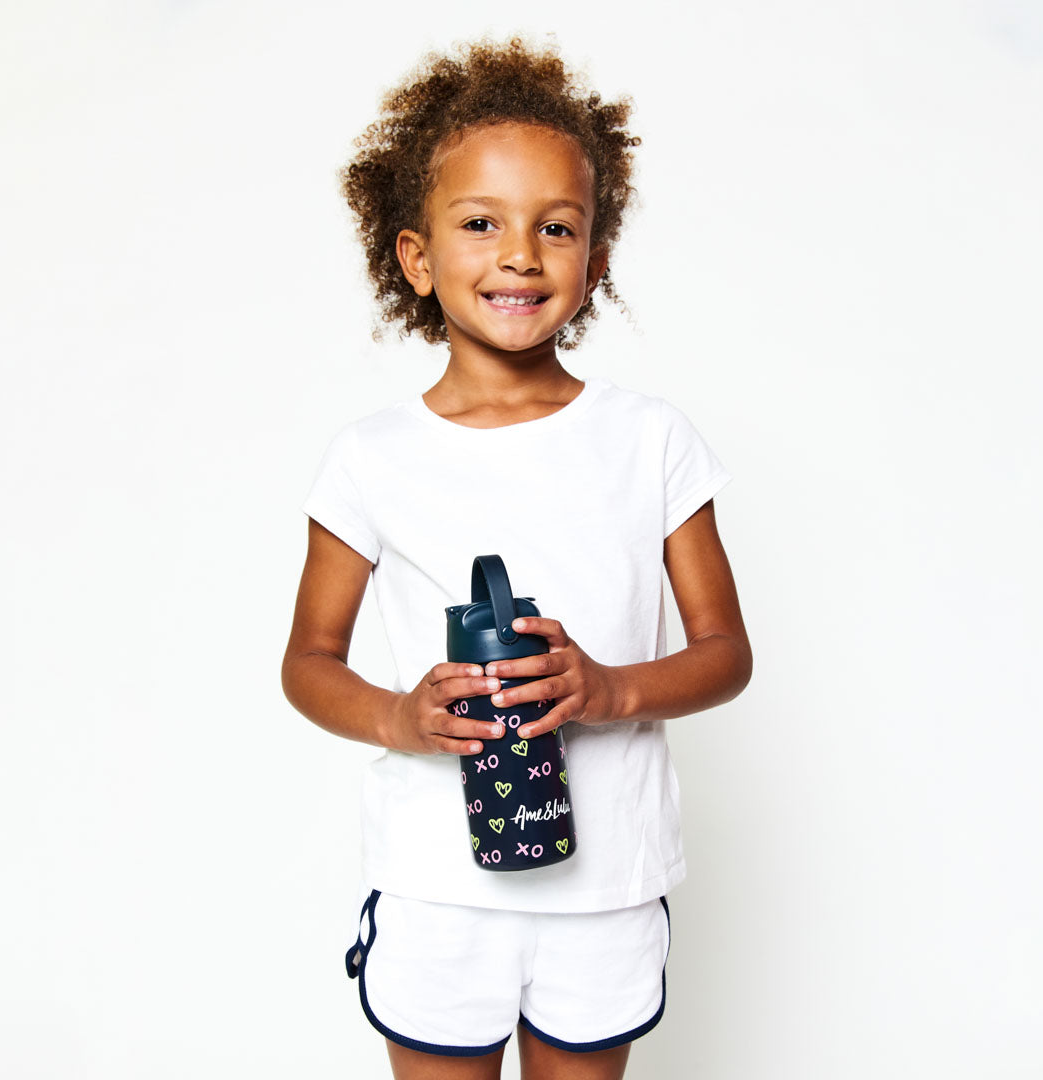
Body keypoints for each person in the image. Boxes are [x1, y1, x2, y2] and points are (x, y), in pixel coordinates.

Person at [282, 37, 752, 1080]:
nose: (521, 255)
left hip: (607, 885)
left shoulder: (652, 441)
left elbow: (726, 652)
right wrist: (398, 716)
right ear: (415, 256)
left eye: (557, 227)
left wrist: (610, 688)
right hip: (439, 887)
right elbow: (308, 660)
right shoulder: (370, 459)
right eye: (481, 223)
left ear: (596, 256)